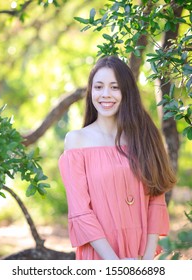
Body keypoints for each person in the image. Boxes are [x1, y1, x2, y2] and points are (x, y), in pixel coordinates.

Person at [58, 55, 176, 260]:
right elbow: (80, 212)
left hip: (141, 257)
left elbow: (156, 200)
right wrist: (116, 266)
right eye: (99, 87)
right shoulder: (76, 141)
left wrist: (146, 261)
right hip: (100, 257)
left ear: (126, 91)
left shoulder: (144, 137)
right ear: (91, 91)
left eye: (115, 87)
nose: (106, 94)